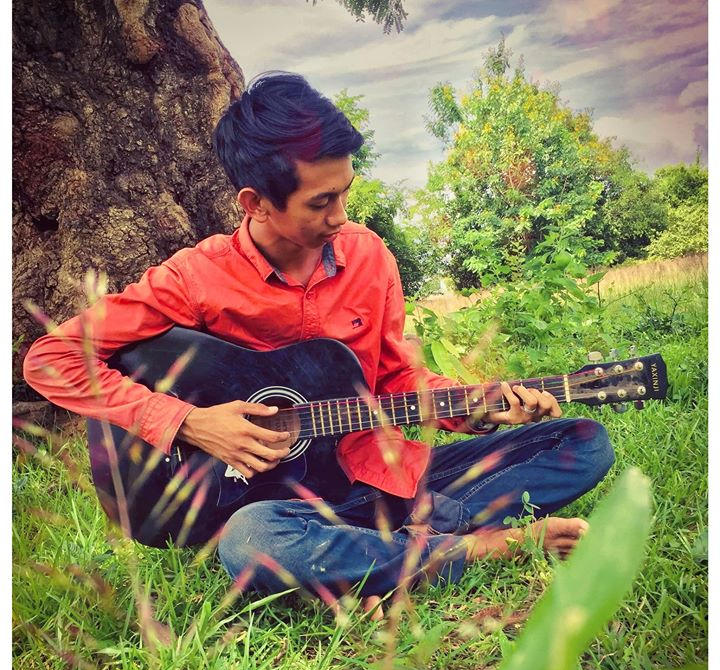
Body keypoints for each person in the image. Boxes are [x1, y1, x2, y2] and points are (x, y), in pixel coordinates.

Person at [23, 72, 614, 616]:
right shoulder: (194, 277)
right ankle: (472, 546)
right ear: (255, 203)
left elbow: (392, 380)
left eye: (345, 192)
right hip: (274, 507)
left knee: (584, 443)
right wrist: (189, 423)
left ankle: (377, 548)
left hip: (372, 472)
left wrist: (475, 407)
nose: (341, 215)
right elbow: (50, 359)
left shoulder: (370, 257)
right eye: (320, 202)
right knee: (252, 541)